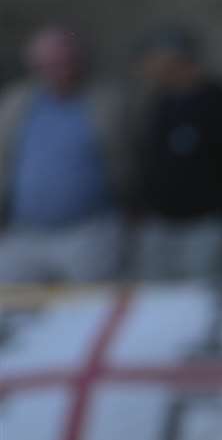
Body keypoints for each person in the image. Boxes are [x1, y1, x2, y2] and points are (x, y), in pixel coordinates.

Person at [129, 27, 222, 279]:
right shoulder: (160, 103)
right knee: (160, 302)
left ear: (175, 59)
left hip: (207, 225)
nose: (148, 69)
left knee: (202, 301)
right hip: (159, 225)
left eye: (154, 60)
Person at [0, 26, 128, 285]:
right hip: (24, 234)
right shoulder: (16, 103)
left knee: (90, 309)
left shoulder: (106, 104)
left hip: (88, 233)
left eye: (66, 62)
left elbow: (126, 162)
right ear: (34, 66)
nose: (59, 70)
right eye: (49, 64)